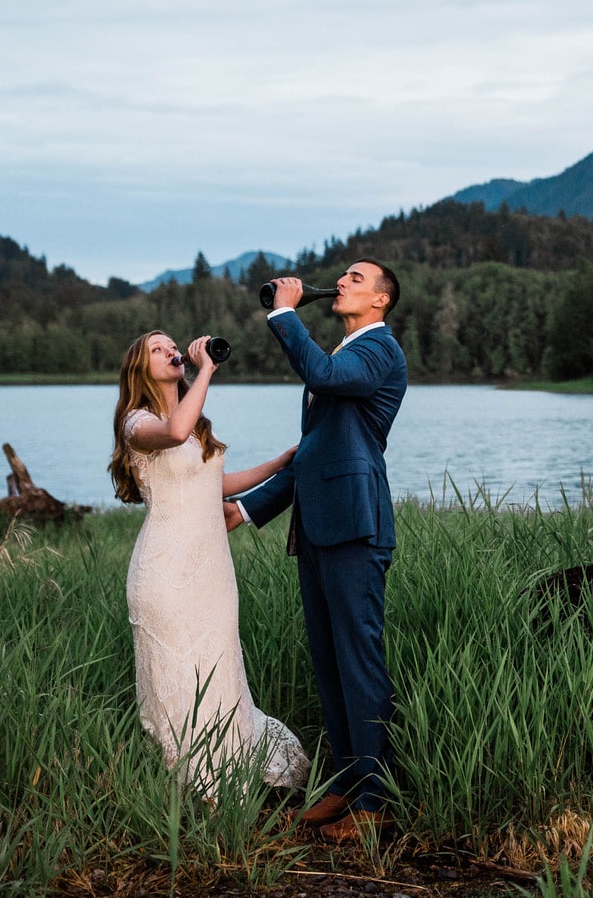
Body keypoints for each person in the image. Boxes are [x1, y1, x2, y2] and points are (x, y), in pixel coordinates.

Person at [225, 259, 407, 841]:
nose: (344, 281)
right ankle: (349, 785)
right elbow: (312, 454)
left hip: (357, 528)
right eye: (345, 276)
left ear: (380, 301)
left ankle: (377, 803)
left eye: (357, 278)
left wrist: (283, 311)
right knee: (328, 663)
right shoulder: (343, 356)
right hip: (320, 530)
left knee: (359, 662)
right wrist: (246, 508)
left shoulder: (379, 351)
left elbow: (327, 376)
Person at [108, 330, 310, 799]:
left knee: (218, 666)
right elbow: (174, 431)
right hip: (164, 569)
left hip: (212, 571)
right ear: (140, 369)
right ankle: (193, 782)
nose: (170, 351)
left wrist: (280, 463)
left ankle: (233, 767)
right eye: (156, 349)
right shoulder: (136, 423)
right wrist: (206, 372)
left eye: (171, 344)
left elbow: (215, 482)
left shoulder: (196, 422)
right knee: (177, 671)